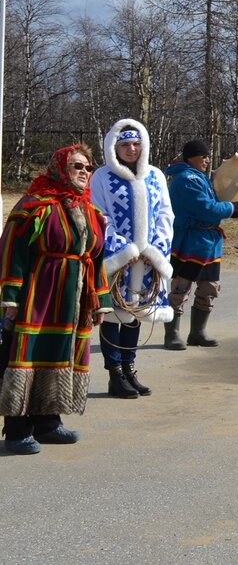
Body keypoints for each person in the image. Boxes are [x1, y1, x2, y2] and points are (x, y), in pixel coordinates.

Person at [0, 145, 112, 454]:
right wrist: (10, 298)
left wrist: (99, 299)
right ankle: (17, 430)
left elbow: (96, 259)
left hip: (72, 301)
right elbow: (12, 252)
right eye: (76, 166)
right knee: (28, 357)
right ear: (59, 168)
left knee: (60, 354)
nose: (83, 172)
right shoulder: (34, 206)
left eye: (88, 167)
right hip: (38, 295)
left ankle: (49, 423)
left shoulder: (92, 212)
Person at [91, 119, 175, 397]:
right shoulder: (101, 177)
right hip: (117, 259)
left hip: (147, 260)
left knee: (136, 313)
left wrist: (157, 251)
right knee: (114, 315)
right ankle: (114, 374)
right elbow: (99, 215)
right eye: (125, 144)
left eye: (136, 144)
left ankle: (129, 369)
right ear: (114, 147)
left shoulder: (155, 176)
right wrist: (123, 251)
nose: (131, 149)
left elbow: (165, 215)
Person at [164, 139, 238, 349]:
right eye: (204, 156)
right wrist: (235, 208)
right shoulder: (185, 179)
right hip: (190, 242)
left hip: (209, 242)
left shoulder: (199, 178)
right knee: (181, 288)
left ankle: (197, 333)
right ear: (191, 157)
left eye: (208, 156)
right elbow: (207, 209)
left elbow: (212, 204)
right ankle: (171, 335)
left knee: (209, 288)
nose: (207, 160)